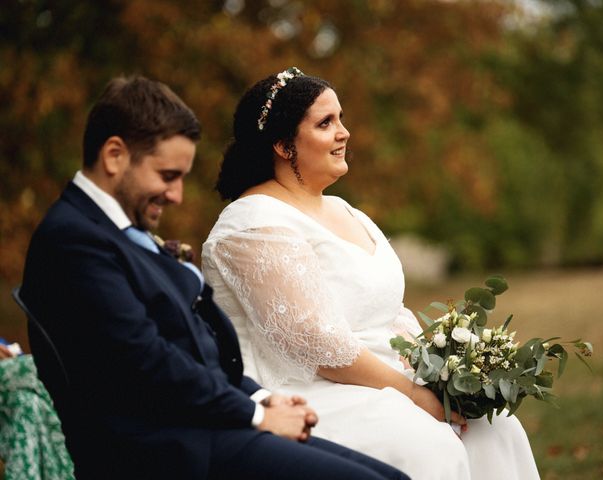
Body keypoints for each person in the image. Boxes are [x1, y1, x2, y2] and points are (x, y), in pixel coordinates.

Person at [20, 75, 410, 480]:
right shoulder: (74, 240)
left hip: (209, 424)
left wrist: (261, 398)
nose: (176, 197)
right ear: (115, 155)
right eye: (168, 175)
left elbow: (195, 351)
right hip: (166, 450)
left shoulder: (115, 231)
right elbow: (149, 361)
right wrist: (257, 414)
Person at [202, 67, 541, 480]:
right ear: (281, 143)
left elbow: (389, 310)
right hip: (313, 393)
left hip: (386, 376)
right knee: (427, 446)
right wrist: (414, 394)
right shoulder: (251, 223)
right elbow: (320, 347)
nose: (344, 132)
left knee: (495, 429)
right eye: (325, 123)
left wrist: (445, 371)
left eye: (341, 119)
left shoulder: (347, 211)